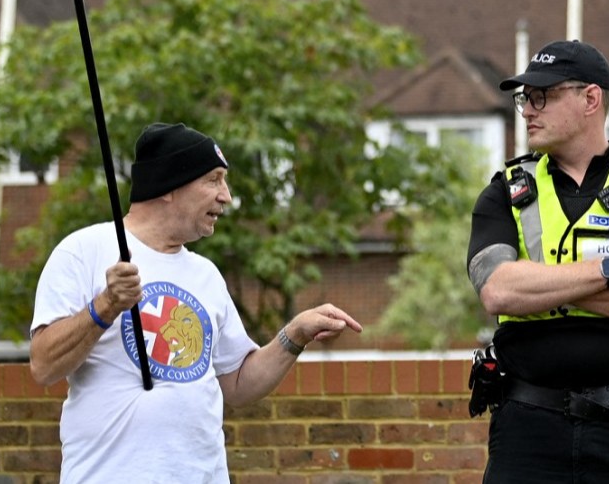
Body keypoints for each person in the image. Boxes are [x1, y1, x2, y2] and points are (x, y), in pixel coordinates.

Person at [30, 121, 361, 483]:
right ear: (170, 185)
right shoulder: (84, 252)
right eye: (214, 179)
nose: (227, 196)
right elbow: (44, 365)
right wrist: (105, 306)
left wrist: (295, 334)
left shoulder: (205, 275)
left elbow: (238, 383)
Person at [467, 40, 609, 483]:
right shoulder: (505, 191)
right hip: (527, 430)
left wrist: (539, 292)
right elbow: (497, 290)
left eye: (543, 96)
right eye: (524, 99)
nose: (528, 110)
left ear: (590, 99)